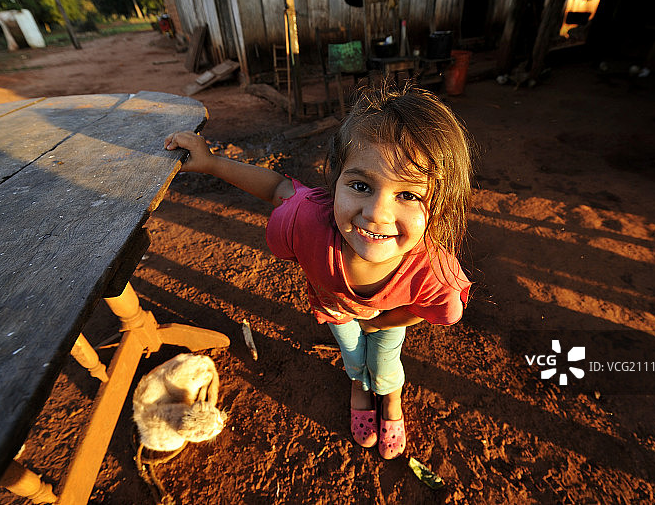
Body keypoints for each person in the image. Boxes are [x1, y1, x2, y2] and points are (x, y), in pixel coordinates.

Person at [164, 83, 473, 460]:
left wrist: (387, 320)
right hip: (335, 310)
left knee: (386, 362)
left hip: (389, 320)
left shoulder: (434, 269)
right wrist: (211, 163)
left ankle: (391, 399)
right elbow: (278, 186)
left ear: (440, 206)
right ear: (335, 182)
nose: (376, 213)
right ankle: (359, 388)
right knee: (353, 357)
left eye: (408, 195)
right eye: (360, 185)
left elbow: (446, 310)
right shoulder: (307, 220)